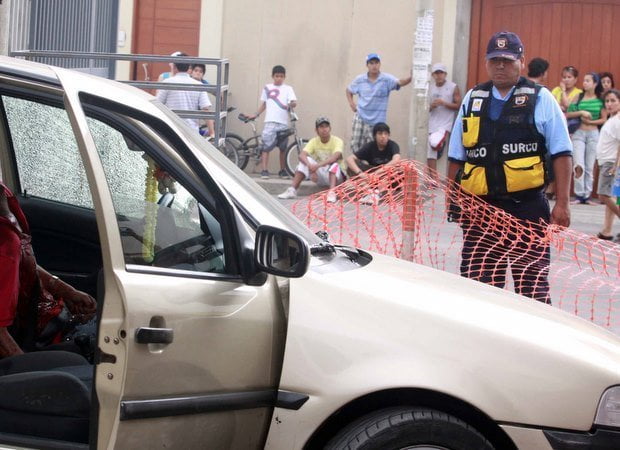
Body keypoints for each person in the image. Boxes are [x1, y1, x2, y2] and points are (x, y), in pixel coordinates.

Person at [448, 31, 572, 304]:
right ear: (486, 63)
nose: (500, 66)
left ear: (521, 62)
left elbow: (562, 154)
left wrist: (562, 203)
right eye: (495, 60)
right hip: (480, 209)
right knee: (479, 285)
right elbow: (457, 156)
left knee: (532, 288)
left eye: (507, 60)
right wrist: (454, 200)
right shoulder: (472, 97)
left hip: (526, 208)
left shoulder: (540, 98)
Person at [0, 182, 97, 358]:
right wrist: (30, 372)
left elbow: (24, 259)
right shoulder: (4, 242)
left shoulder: (4, 194)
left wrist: (67, 291)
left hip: (48, 317)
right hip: (36, 337)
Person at [346, 53, 412, 155]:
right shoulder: (360, 79)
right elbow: (349, 90)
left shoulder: (386, 79)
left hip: (377, 121)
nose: (374, 66)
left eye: (376, 63)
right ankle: (356, 170)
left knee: (373, 150)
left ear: (380, 64)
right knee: (356, 146)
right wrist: (352, 104)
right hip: (360, 118)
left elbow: (399, 82)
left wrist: (410, 78)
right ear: (367, 65)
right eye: (371, 63)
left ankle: (370, 171)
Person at [245, 65, 297, 179]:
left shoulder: (288, 89)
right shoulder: (267, 88)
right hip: (270, 121)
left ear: (284, 77)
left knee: (283, 148)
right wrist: (256, 114)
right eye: (277, 76)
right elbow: (264, 104)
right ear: (273, 76)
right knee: (266, 147)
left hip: (283, 123)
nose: (279, 78)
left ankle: (282, 170)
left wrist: (292, 103)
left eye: (281, 76)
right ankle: (264, 170)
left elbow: (294, 102)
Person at [277, 117, 345, 203]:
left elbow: (335, 157)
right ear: (316, 130)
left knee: (334, 164)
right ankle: (292, 190)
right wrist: (311, 168)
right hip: (320, 175)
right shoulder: (313, 141)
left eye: (326, 126)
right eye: (321, 127)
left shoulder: (337, 141)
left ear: (330, 128)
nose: (324, 129)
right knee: (305, 161)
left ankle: (332, 193)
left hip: (337, 177)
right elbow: (302, 155)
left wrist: (316, 166)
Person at [566, 72, 607, 204]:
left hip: (593, 133)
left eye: (588, 81)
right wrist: (581, 112)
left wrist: (591, 123)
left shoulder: (601, 99)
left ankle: (587, 195)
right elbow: (568, 113)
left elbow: (603, 119)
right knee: (579, 164)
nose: (585, 83)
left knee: (590, 166)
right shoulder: (579, 96)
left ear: (595, 83)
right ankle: (579, 195)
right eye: (584, 80)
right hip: (579, 133)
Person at [156, 52, 214, 137]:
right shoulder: (199, 85)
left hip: (172, 130)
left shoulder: (167, 82)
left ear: (175, 67)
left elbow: (158, 105)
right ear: (189, 68)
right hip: (192, 132)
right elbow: (205, 109)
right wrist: (212, 132)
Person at [346, 122, 402, 205]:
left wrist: (378, 172)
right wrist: (361, 174)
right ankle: (369, 192)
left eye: (385, 134)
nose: (383, 136)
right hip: (371, 178)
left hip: (388, 177)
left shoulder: (392, 145)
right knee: (351, 167)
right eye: (380, 133)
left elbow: (397, 159)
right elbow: (349, 159)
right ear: (375, 136)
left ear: (388, 135)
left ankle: (378, 193)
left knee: (398, 168)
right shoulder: (370, 146)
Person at [427, 63, 461, 182]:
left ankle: (434, 178)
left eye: (441, 72)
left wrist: (444, 103)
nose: (439, 75)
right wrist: (431, 106)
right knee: (430, 151)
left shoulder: (452, 87)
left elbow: (458, 105)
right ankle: (432, 178)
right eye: (436, 73)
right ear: (433, 75)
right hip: (432, 123)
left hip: (444, 124)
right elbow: (424, 107)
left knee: (434, 145)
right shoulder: (430, 87)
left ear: (445, 74)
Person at [595, 89, 620, 240]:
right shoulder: (611, 120)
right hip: (606, 161)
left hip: (611, 162)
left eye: (613, 101)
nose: (609, 104)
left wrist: (615, 165)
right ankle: (607, 230)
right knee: (609, 195)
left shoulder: (617, 121)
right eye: (607, 101)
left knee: (603, 195)